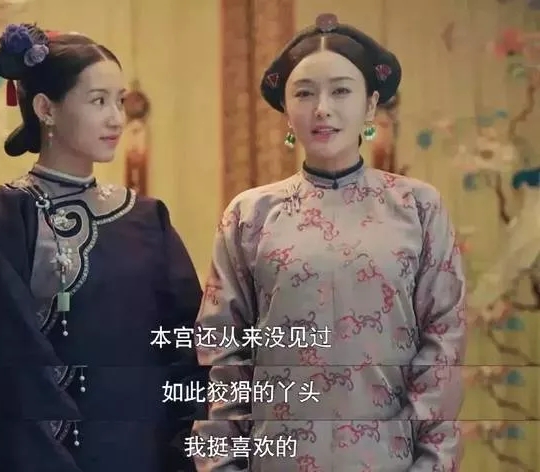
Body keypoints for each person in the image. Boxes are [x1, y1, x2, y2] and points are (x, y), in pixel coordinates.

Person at [192, 13, 466, 471]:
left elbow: (443, 348)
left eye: (340, 91)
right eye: (304, 93)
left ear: (371, 104)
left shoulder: (418, 207)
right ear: (286, 109)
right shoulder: (249, 215)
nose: (322, 108)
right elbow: (225, 356)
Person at [0, 23, 204, 472]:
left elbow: (188, 349)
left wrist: (189, 449)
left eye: (119, 101)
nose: (116, 119)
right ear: (46, 108)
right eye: (98, 101)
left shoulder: (148, 219)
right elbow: (4, 376)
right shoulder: (4, 219)